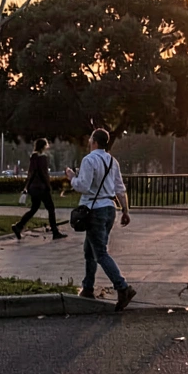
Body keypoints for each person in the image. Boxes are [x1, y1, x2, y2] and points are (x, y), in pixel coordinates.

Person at [65, 128, 135, 310]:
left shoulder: (89, 160)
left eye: (90, 140)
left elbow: (84, 186)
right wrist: (125, 210)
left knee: (100, 253)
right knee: (90, 250)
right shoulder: (113, 161)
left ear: (94, 141)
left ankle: (123, 287)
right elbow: (120, 188)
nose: (89, 142)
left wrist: (72, 178)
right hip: (110, 208)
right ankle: (87, 287)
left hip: (94, 210)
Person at [12, 138, 66, 240]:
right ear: (43, 146)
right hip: (42, 188)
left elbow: (31, 174)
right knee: (51, 208)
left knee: (34, 208)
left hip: (33, 188)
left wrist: (27, 187)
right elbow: (44, 173)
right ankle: (55, 232)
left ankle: (18, 226)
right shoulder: (42, 158)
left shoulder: (33, 157)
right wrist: (48, 186)